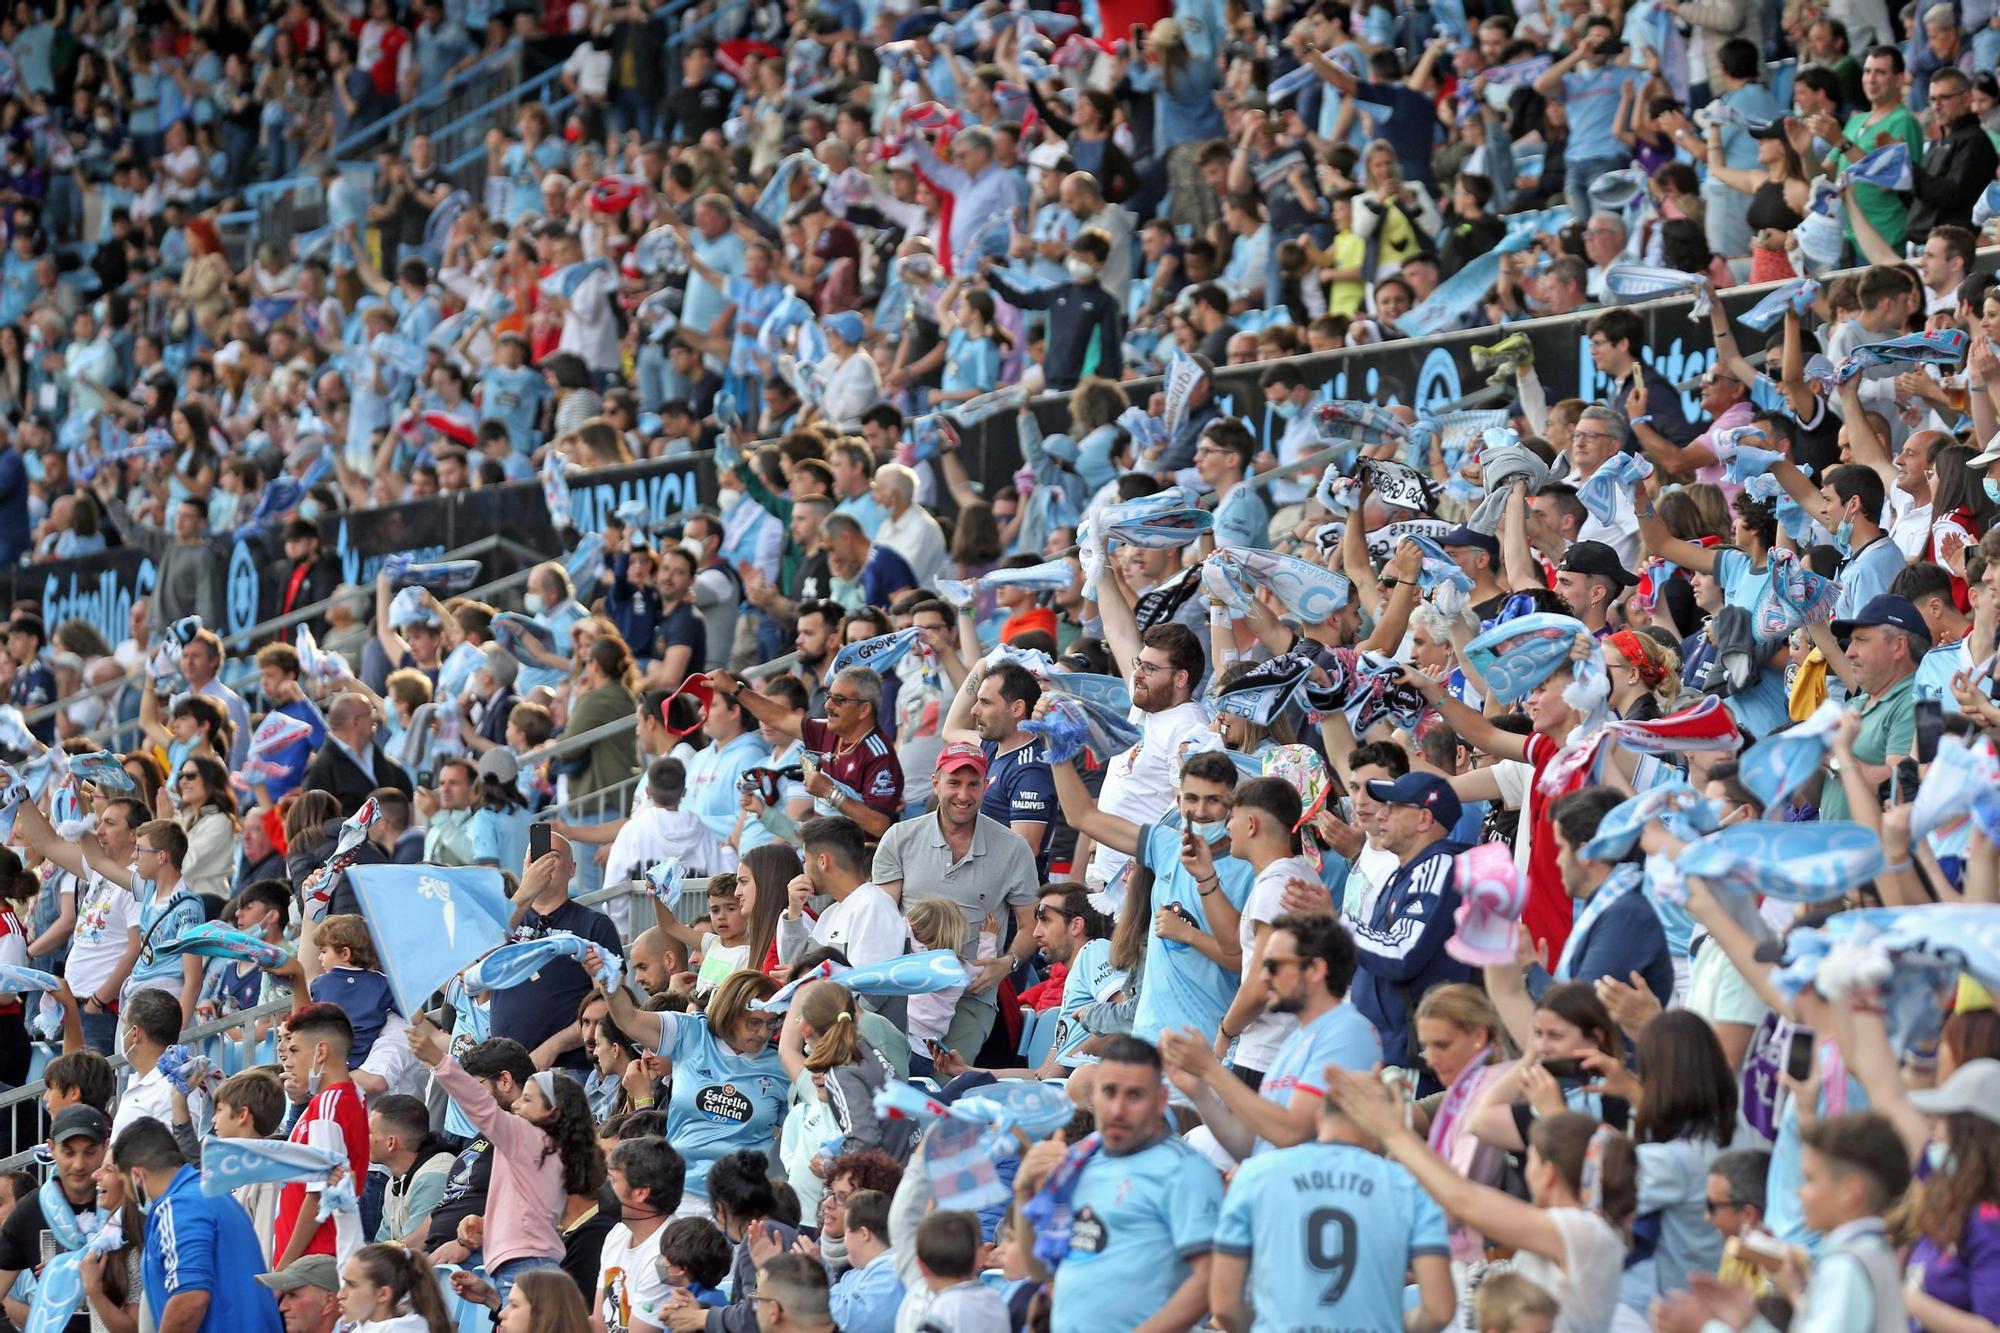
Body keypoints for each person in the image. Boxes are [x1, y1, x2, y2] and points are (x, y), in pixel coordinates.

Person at [1209, 1069, 1454, 1333]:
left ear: (1319, 1117)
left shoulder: (1254, 1174)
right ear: (1383, 1124)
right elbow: (1439, 1310)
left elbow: (1224, 1306)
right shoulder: (1408, 1185)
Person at [1013, 1036, 1224, 1333]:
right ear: (1094, 1094)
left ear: (1160, 1100)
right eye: (1109, 1092)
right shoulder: (1077, 1161)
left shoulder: (1186, 1171)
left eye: (1134, 1095)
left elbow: (1209, 1281)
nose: (1117, 1109)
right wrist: (1024, 1195)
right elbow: (1041, 1269)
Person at [406, 1008, 601, 1306]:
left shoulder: (526, 1135)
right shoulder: (553, 1146)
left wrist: (440, 1060)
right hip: (532, 1264)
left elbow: (482, 1108)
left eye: (528, 1099)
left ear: (552, 1112)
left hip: (522, 1265)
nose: (517, 1106)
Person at [1160, 913, 1382, 1160]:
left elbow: (1292, 1133)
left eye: (1274, 966)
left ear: (1315, 970)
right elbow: (1251, 1148)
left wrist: (1212, 1070)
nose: (1264, 977)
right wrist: (1199, 1090)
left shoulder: (1348, 1031)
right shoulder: (1296, 1040)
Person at [588, 964, 787, 1214]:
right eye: (754, 1022)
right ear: (729, 1012)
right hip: (679, 1194)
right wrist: (608, 981)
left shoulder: (781, 1063)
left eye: (772, 1023)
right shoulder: (692, 1032)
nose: (763, 1032)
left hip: (744, 1204)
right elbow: (629, 1018)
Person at [112, 1116, 286, 1333]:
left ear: (136, 1175)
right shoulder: (215, 1196)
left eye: (123, 1182)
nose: (125, 1194)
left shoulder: (176, 1208)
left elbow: (190, 1299)